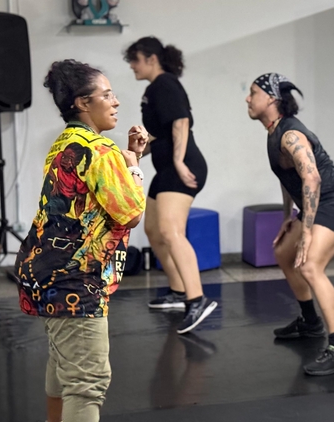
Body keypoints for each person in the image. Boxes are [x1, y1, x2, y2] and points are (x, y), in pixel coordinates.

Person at [14, 59, 147, 422]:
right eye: (107, 95)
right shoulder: (101, 150)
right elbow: (131, 212)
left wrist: (131, 158)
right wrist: (134, 166)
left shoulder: (66, 143)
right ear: (82, 103)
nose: (116, 102)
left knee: (64, 365)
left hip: (45, 271)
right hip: (75, 279)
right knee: (88, 382)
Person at [246, 73, 334, 376]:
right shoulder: (274, 132)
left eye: (253, 92)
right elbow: (290, 179)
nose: (248, 98)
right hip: (317, 203)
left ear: (271, 98)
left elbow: (312, 178)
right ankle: (311, 323)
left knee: (310, 266)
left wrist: (307, 231)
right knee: (284, 253)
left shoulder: (290, 135)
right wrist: (289, 217)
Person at [124, 36, 217, 334]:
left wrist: (178, 161)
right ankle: (178, 291)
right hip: (166, 169)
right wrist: (135, 153)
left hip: (183, 167)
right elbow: (162, 134)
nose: (132, 66)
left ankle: (197, 299)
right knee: (153, 229)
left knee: (171, 231)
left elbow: (181, 122)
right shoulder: (153, 89)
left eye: (135, 60)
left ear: (151, 59)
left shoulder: (165, 84)